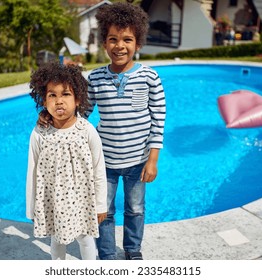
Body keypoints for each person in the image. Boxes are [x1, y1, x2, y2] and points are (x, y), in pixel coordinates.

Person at [38, 2, 166, 260]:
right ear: (105, 43)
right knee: (103, 210)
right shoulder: (95, 78)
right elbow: (81, 112)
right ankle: (106, 254)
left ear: (138, 43)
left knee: (136, 209)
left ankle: (132, 250)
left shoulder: (150, 77)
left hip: (138, 161)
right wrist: (52, 116)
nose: (120, 45)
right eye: (113, 39)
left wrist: (153, 159)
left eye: (127, 39)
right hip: (103, 161)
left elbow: (158, 118)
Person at [26, 62, 107, 260]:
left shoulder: (86, 131)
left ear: (78, 99)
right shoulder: (39, 133)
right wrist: (31, 206)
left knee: (86, 238)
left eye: (66, 94)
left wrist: (100, 204)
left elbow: (99, 169)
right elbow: (32, 170)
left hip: (82, 200)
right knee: (56, 240)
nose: (59, 101)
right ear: (44, 101)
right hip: (53, 200)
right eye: (52, 95)